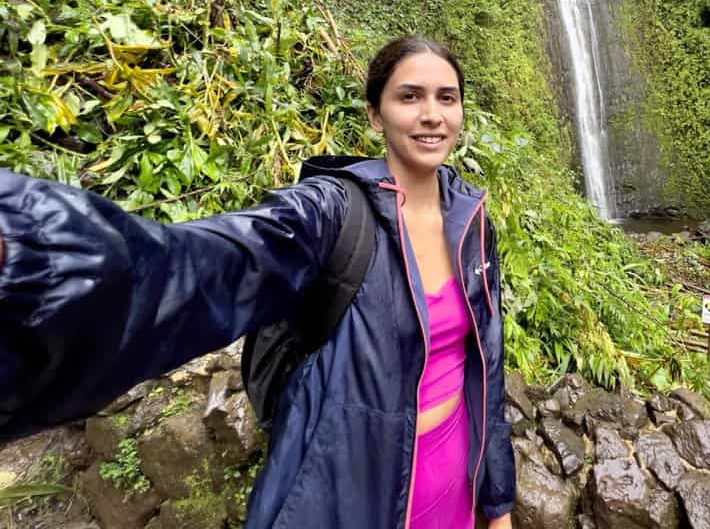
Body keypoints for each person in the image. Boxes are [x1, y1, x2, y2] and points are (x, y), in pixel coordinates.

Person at [0, 36, 516, 529]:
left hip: (457, 476)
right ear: (375, 114)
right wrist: (38, 260)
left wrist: (497, 500)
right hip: (354, 485)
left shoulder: (470, 220)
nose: (431, 115)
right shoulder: (333, 212)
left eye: (446, 98)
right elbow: (213, 264)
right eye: (410, 96)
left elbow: (485, 365)